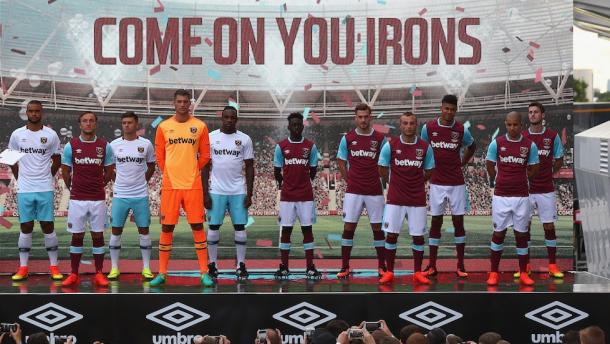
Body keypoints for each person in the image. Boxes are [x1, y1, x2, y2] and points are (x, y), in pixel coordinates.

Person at [150, 89, 212, 287]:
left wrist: (192, 169)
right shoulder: (163, 126)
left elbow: (205, 156)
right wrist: (170, 171)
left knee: (197, 226)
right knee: (167, 227)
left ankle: (204, 272)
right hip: (171, 186)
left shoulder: (200, 126)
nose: (183, 104)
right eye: (179, 101)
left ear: (190, 104)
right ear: (173, 103)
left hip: (193, 185)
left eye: (186, 101)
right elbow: (159, 155)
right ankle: (162, 273)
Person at [420, 94, 476, 278]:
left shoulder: (461, 130)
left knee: (458, 222)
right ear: (441, 107)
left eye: (452, 109)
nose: (449, 112)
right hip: (436, 182)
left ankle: (460, 265)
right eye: (446, 108)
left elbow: (472, 146)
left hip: (456, 183)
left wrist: (462, 162)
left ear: (456, 110)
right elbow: (422, 150)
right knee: (436, 222)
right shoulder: (428, 128)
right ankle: (432, 265)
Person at [8, 100, 63, 281]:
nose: (34, 114)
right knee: (26, 226)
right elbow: (12, 159)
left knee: (48, 226)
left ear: (42, 112)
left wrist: (49, 176)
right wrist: (20, 178)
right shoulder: (17, 135)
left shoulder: (51, 135)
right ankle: (23, 267)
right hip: (25, 188)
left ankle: (54, 267)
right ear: (27, 112)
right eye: (30, 111)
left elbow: (57, 159)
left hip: (44, 187)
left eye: (37, 111)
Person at [378, 113, 434, 285]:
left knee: (418, 237)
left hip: (417, 198)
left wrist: (417, 182)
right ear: (400, 125)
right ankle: (389, 272)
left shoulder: (425, 147)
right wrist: (393, 183)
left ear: (416, 125)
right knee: (391, 235)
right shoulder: (390, 145)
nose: (409, 126)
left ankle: (417, 272)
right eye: (405, 123)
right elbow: (382, 167)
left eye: (412, 123)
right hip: (395, 198)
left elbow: (430, 170)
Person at [485, 112, 539, 286]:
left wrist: (520, 177)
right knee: (498, 233)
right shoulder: (497, 143)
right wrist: (501, 179)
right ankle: (493, 273)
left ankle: (524, 273)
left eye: (515, 125)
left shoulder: (529, 145)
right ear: (505, 124)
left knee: (521, 235)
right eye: (509, 125)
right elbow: (490, 165)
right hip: (501, 196)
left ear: (521, 125)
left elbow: (534, 167)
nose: (512, 128)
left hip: (522, 196)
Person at [61, 111, 113, 287]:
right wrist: (73, 188)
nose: (88, 123)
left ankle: (99, 273)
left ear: (96, 124)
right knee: (77, 236)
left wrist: (98, 185)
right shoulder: (71, 145)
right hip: (77, 199)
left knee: (98, 236)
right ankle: (74, 273)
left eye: (91, 121)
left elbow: (109, 172)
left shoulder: (105, 146)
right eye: (85, 121)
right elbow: (65, 172)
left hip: (97, 198)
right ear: (80, 124)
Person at [202, 106, 254, 279]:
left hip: (238, 190)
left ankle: (240, 264)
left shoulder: (245, 139)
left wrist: (250, 193)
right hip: (216, 190)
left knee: (240, 228)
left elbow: (249, 167)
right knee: (213, 227)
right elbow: (205, 167)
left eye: (233, 117)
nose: (229, 120)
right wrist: (205, 193)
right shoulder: (210, 137)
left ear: (236, 119)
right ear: (221, 118)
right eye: (226, 117)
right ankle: (212, 264)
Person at [336, 103, 387, 278]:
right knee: (348, 227)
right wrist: (349, 180)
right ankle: (344, 266)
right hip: (354, 191)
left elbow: (386, 161)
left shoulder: (380, 139)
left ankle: (382, 266)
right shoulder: (348, 138)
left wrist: (383, 178)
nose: (363, 120)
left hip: (374, 190)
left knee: (378, 229)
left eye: (366, 116)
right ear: (355, 118)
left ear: (370, 117)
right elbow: (341, 161)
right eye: (360, 117)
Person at [107, 112, 156, 280]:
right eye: (124, 123)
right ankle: (114, 268)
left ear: (136, 124)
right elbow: (109, 167)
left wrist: (144, 180)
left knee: (144, 231)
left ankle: (146, 268)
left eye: (129, 122)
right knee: (116, 231)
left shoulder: (146, 144)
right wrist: (116, 181)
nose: (126, 125)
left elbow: (151, 165)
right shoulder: (113, 145)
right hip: (120, 194)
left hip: (140, 194)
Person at [518, 102, 565, 279]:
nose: (532, 115)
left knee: (549, 226)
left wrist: (550, 174)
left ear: (542, 115)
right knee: (524, 227)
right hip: (526, 190)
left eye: (536, 112)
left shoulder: (552, 136)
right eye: (530, 112)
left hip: (546, 189)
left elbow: (559, 159)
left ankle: (552, 265)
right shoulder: (522, 136)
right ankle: (526, 266)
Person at [273, 112, 321, 279]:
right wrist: (286, 185)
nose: (296, 127)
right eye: (293, 124)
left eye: (299, 125)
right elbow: (276, 171)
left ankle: (310, 266)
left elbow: (313, 170)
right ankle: (284, 266)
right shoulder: (281, 146)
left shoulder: (311, 146)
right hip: (287, 196)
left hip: (305, 196)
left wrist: (302, 183)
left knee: (307, 230)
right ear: (289, 126)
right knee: (286, 231)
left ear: (303, 126)